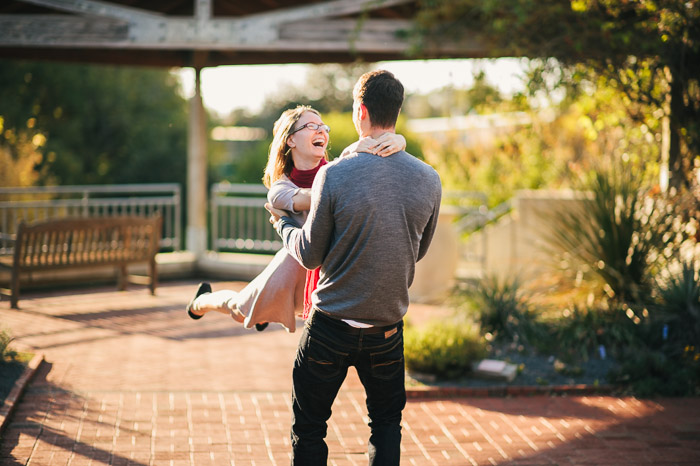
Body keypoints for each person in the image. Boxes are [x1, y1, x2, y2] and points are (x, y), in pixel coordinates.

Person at [266, 70, 442, 465]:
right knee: (385, 426)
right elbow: (420, 249)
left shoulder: (334, 175)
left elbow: (310, 255)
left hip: (330, 327)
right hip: (387, 329)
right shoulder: (430, 179)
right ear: (396, 111)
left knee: (309, 428)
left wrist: (282, 225)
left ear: (360, 111)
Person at [186, 105, 406, 332]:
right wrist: (352, 150)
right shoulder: (280, 189)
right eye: (312, 126)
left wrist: (399, 141)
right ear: (290, 140)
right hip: (294, 267)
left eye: (323, 127)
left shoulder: (337, 171)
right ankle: (201, 302)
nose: (321, 131)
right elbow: (318, 196)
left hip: (330, 272)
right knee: (238, 308)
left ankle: (267, 310)